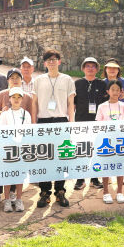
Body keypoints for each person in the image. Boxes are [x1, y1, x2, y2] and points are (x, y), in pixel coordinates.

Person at [31, 48, 75, 208]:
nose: (52, 62)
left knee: (61, 156)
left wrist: (71, 124)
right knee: (44, 157)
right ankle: (44, 192)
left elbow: (71, 103)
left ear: (59, 61)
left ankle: (60, 190)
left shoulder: (68, 79)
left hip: (61, 121)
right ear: (44, 63)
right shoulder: (38, 80)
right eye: (48, 60)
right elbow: (34, 103)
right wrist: (34, 124)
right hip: (43, 121)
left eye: (54, 59)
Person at [0, 68, 33, 206]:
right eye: (11, 77)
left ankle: (13, 194)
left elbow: (31, 118)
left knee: (17, 171)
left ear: (21, 80)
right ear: (7, 80)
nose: (14, 80)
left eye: (17, 77)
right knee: (1, 168)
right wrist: (2, 112)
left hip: (20, 144)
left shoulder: (28, 97)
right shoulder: (2, 94)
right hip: (5, 143)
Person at [95, 79, 124, 204]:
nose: (115, 92)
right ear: (108, 91)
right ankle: (106, 191)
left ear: (121, 92)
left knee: (120, 166)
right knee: (106, 165)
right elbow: (98, 123)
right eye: (113, 89)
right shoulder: (102, 106)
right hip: (107, 140)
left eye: (118, 90)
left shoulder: (123, 105)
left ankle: (119, 192)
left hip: (120, 139)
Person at [73, 57, 108, 191]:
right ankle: (80, 179)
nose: (90, 68)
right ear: (83, 68)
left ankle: (94, 178)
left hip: (97, 122)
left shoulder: (102, 84)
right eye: (87, 66)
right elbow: (73, 104)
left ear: (97, 69)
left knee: (96, 150)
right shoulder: (77, 83)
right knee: (81, 150)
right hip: (81, 121)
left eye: (93, 66)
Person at [0, 87, 30, 212]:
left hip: (21, 149)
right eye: (13, 97)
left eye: (19, 97)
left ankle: (19, 199)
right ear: (9, 99)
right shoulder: (5, 114)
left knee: (20, 175)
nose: (16, 100)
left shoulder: (26, 114)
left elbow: (28, 132)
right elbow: (0, 132)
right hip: (8, 149)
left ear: (22, 99)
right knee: (8, 175)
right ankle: (7, 200)